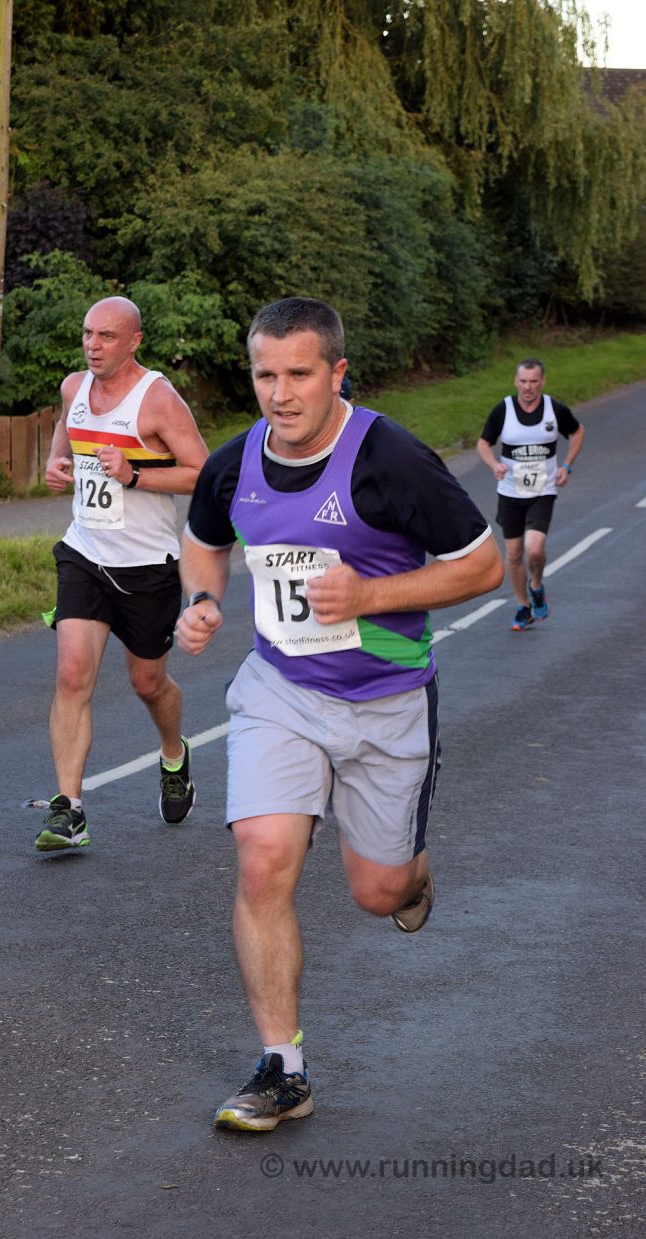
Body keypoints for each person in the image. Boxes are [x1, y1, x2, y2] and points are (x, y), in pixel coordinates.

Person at [176, 297, 504, 1131]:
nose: (280, 393)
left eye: (298, 373)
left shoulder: (388, 458)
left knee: (377, 889)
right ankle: (282, 1068)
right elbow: (204, 534)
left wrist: (371, 593)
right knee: (262, 856)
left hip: (387, 702)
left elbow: (482, 568)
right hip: (280, 691)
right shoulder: (232, 461)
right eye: (264, 374)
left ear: (336, 373)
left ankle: (412, 873)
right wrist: (205, 597)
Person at [34, 296, 209, 852]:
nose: (93, 345)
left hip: (147, 566)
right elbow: (67, 431)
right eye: (88, 333)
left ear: (133, 341)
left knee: (147, 682)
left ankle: (174, 754)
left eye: (107, 336)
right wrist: (56, 462)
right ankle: (70, 810)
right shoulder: (73, 388)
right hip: (84, 552)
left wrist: (134, 476)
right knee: (71, 676)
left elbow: (201, 472)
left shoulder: (156, 399)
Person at [476, 358, 585, 631]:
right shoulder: (504, 409)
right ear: (516, 382)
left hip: (542, 491)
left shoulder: (553, 409)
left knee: (534, 549)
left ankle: (536, 584)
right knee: (513, 554)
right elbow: (483, 443)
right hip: (511, 492)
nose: (528, 387)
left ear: (542, 382)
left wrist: (567, 465)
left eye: (533, 381)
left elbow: (577, 431)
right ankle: (524, 605)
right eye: (523, 381)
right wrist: (494, 465)